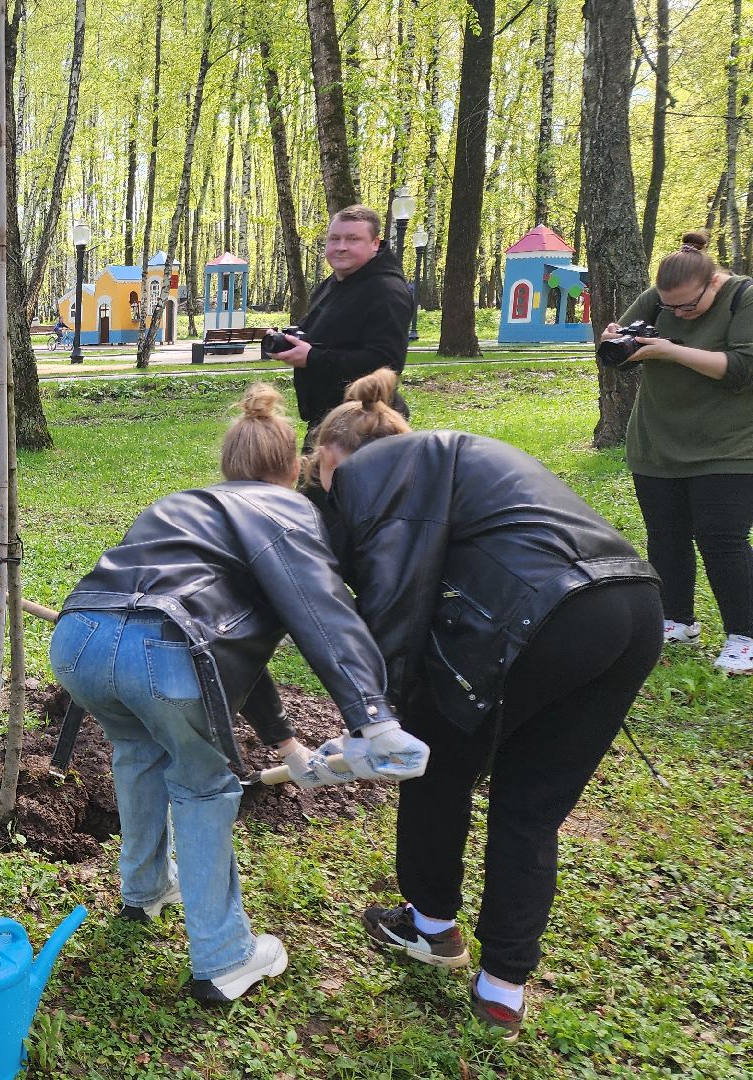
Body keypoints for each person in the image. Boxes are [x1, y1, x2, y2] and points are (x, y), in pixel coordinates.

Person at [312, 369, 662, 1039]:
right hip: (632, 606)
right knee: (530, 811)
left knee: (434, 761)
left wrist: (374, 718)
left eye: (323, 470)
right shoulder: (456, 458)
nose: (324, 487)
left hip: (547, 613)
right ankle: (502, 989)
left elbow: (394, 602)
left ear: (341, 453)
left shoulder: (375, 470)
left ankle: (431, 927)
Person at [51, 384, 426, 1006]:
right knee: (204, 788)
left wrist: (283, 739)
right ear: (295, 469)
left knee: (139, 754)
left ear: (228, 465)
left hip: (80, 637)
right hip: (168, 650)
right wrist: (372, 717)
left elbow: (230, 646)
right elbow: (319, 612)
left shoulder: (182, 503)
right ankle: (224, 959)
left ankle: (145, 890)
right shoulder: (290, 512)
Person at [601, 229, 753, 675]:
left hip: (729, 445)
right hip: (657, 439)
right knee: (665, 534)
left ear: (713, 283)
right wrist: (616, 340)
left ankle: (745, 635)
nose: (679, 314)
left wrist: (672, 350)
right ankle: (677, 620)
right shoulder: (659, 299)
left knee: (721, 540)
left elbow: (742, 369)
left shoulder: (744, 296)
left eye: (689, 306)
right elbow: (616, 351)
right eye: (671, 308)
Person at [269, 204, 414, 443]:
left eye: (352, 239)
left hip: (366, 427)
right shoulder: (335, 282)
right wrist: (289, 342)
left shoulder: (387, 291)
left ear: (375, 244)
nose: (341, 247)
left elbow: (387, 364)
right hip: (329, 420)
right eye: (334, 239)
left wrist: (313, 357)